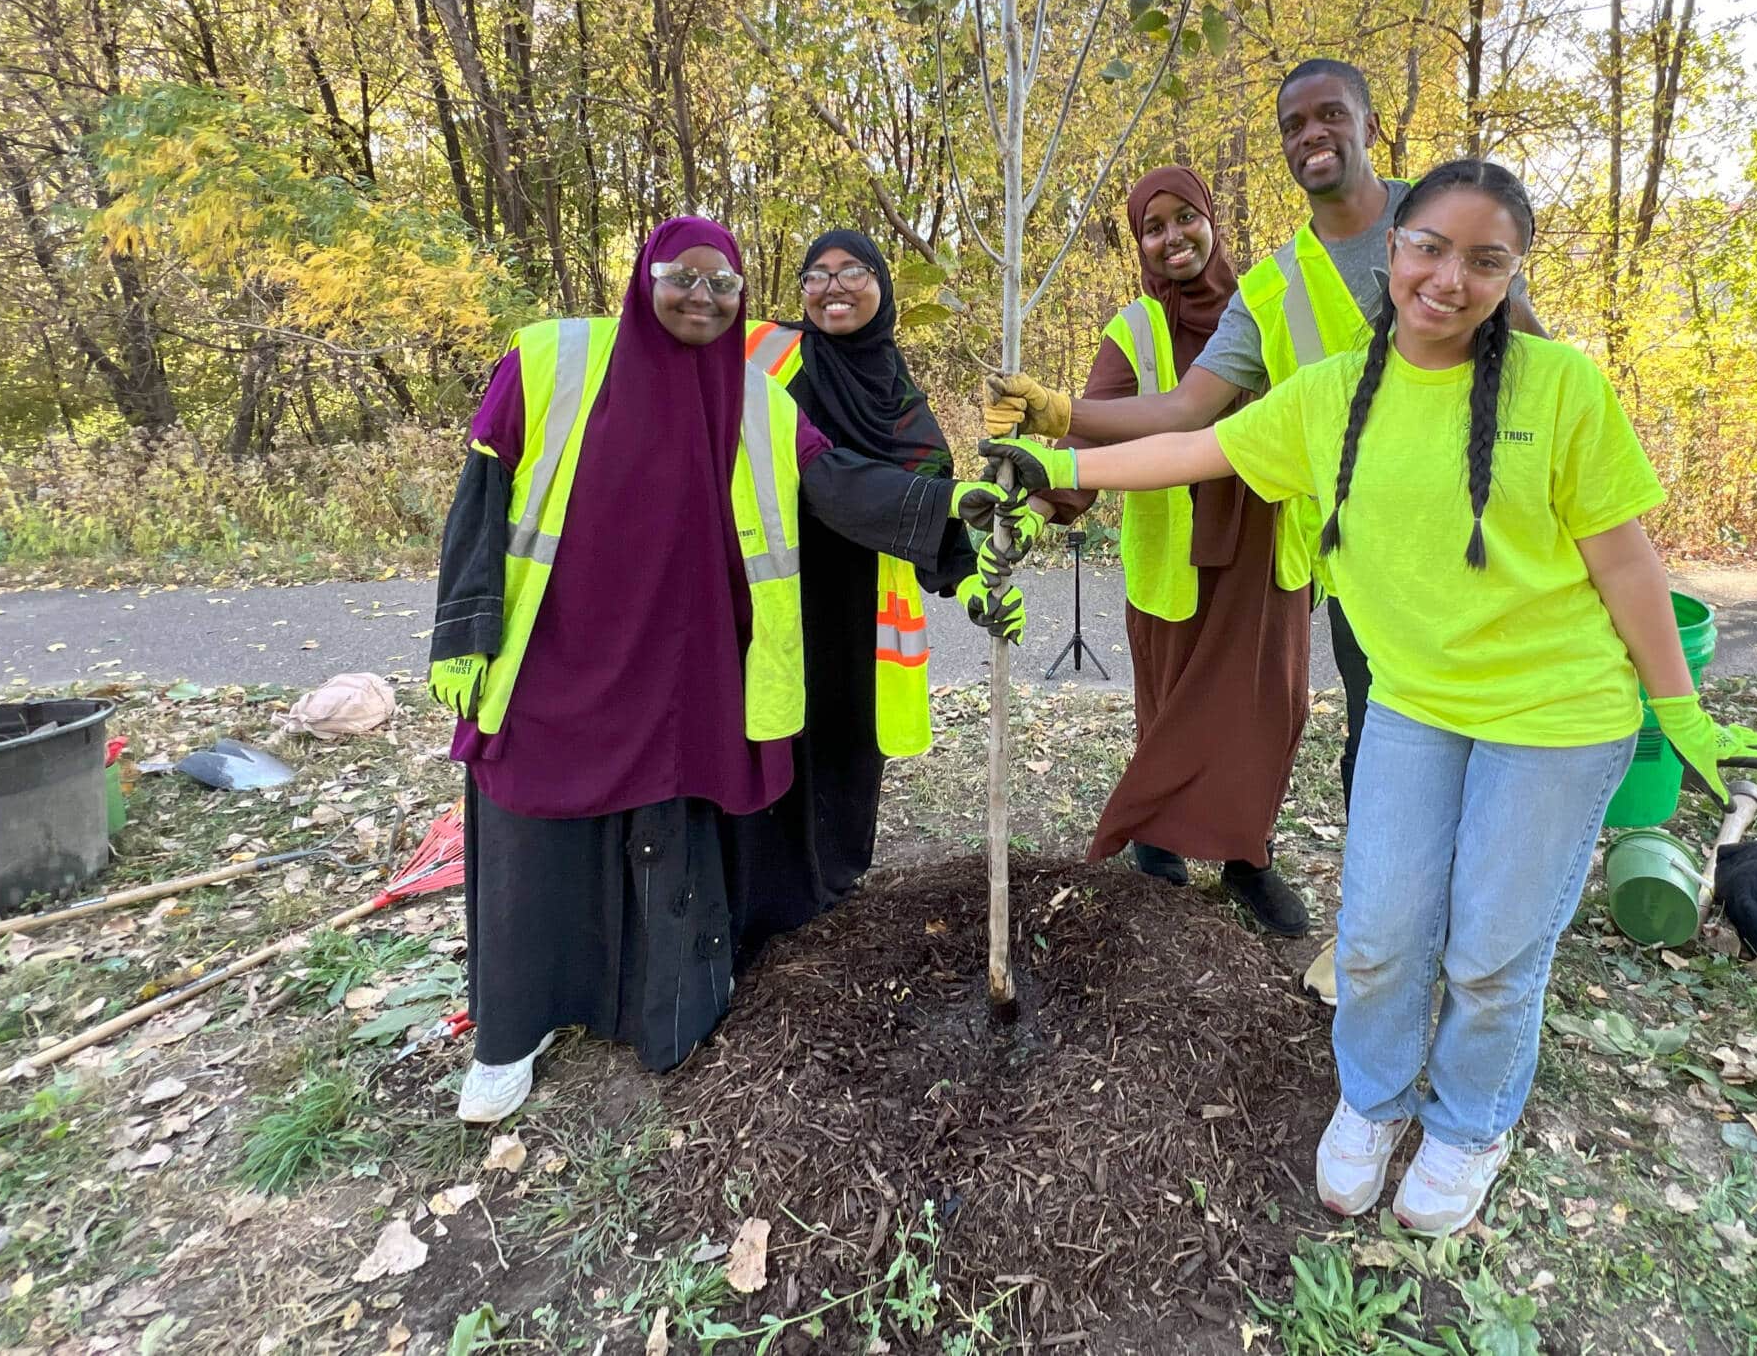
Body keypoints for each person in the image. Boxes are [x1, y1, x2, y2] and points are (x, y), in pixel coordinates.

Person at [979, 160, 1757, 1236]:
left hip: (1554, 717)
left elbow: (1628, 562)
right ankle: (1373, 1099)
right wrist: (1048, 456)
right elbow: (1190, 447)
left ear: (1511, 275)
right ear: (1393, 250)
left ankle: (1467, 1125)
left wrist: (1676, 707)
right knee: (1378, 933)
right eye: (1430, 249)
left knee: (1492, 951)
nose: (1450, 278)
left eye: (1486, 259)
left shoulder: (1559, 387)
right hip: (1416, 704)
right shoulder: (1331, 393)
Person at [425, 217, 1018, 1123]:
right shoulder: (553, 359)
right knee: (537, 836)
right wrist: (464, 628)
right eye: (682, 277)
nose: (701, 296)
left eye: (723, 284)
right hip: (557, 657)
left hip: (683, 670)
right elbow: (485, 490)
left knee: (670, 829)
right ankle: (516, 1030)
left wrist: (960, 518)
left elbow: (844, 488)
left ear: (743, 298)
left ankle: (666, 1011)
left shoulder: (757, 400)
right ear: (644, 277)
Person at [983, 60, 1546, 983]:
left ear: (1368, 124)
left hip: (1436, 543)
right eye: (1295, 122)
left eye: (1332, 116)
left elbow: (1536, 361)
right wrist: (1050, 440)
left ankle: (1412, 924)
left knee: (1400, 735)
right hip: (1330, 555)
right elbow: (1183, 422)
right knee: (1383, 745)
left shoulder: (1441, 221)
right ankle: (1376, 938)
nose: (1439, 278)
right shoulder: (1269, 296)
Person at [1027, 169, 1314, 934]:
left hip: (1267, 544)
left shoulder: (1273, 308)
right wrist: (1042, 497)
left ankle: (1249, 857)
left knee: (1266, 706)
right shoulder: (1135, 329)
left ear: (1213, 219)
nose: (1172, 237)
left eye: (1186, 217)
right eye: (1153, 227)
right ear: (1140, 245)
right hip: (1173, 553)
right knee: (1172, 707)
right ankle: (1157, 844)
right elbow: (1093, 426)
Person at [726, 229, 1010, 963]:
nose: (833, 287)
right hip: (772, 587)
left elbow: (936, 493)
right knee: (771, 736)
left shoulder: (895, 392)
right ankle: (764, 906)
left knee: (848, 744)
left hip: (859, 602)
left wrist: (977, 580)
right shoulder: (762, 354)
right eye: (815, 275)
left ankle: (834, 892)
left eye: (852, 271)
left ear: (882, 285)